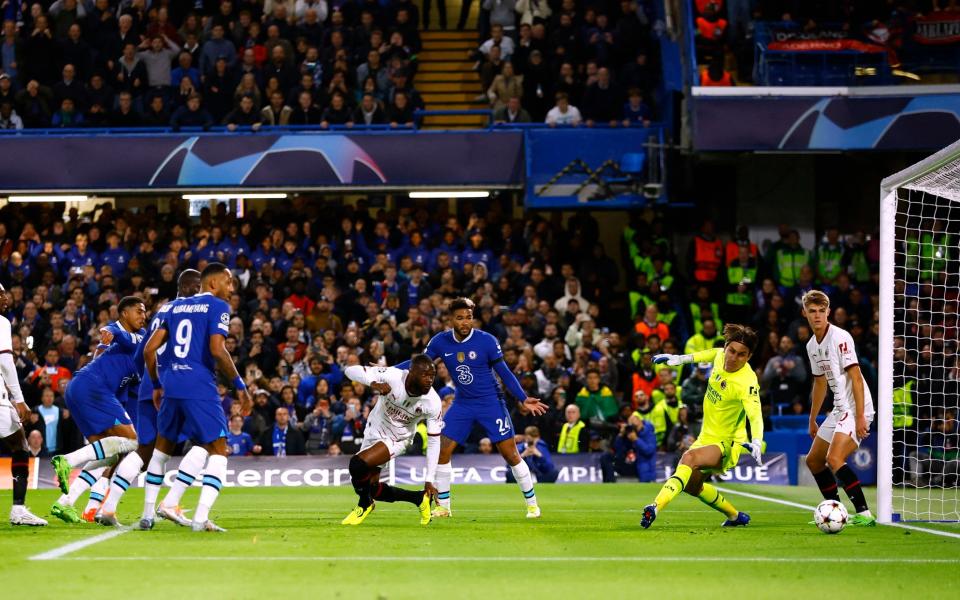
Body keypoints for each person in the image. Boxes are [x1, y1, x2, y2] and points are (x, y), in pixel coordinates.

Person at [396, 298, 548, 519]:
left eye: (468, 317)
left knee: (511, 454)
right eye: (460, 318)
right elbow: (417, 364)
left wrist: (523, 398)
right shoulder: (440, 341)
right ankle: (444, 507)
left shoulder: (487, 341)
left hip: (491, 403)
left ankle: (533, 506)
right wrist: (386, 371)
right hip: (463, 404)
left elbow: (505, 373)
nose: (465, 322)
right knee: (442, 451)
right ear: (451, 320)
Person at [142, 262, 252, 532]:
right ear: (213, 283)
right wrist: (240, 385)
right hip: (199, 387)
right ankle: (200, 519)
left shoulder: (174, 307)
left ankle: (160, 507)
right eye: (228, 282)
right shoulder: (217, 307)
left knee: (165, 450)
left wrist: (156, 384)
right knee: (219, 450)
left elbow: (149, 349)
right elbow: (217, 349)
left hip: (171, 387)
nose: (231, 289)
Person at [97, 269, 201, 529]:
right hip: (173, 387)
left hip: (147, 387)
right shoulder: (193, 312)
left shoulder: (159, 315)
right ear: (192, 287)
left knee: (145, 450)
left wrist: (149, 381)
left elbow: (141, 354)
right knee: (204, 442)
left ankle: (112, 508)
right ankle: (166, 505)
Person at [642, 324, 764, 529]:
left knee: (688, 459)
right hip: (706, 436)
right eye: (731, 351)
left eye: (741, 355)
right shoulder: (720, 356)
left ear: (749, 357)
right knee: (693, 486)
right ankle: (735, 517)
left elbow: (755, 415)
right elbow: (707, 354)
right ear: (725, 347)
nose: (733, 358)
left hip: (728, 443)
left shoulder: (747, 382)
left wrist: (757, 441)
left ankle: (654, 507)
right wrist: (679, 359)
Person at [49, 296, 147, 524]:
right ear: (124, 313)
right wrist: (110, 332)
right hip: (93, 387)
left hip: (84, 389)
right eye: (139, 311)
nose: (144, 316)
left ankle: (65, 503)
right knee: (133, 441)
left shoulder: (137, 357)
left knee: (107, 454)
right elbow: (116, 333)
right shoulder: (130, 336)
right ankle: (67, 460)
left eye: (145, 312)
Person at [802, 290, 877, 526]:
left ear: (828, 312)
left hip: (856, 406)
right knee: (814, 461)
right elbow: (820, 382)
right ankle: (834, 511)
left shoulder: (840, 337)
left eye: (821, 311)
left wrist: (861, 417)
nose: (817, 316)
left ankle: (864, 514)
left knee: (834, 458)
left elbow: (856, 377)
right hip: (838, 407)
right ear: (804, 313)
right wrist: (812, 419)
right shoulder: (812, 345)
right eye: (812, 311)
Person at [341, 356, 441, 525]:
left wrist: (430, 479)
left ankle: (365, 505)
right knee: (370, 487)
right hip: (374, 430)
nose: (430, 380)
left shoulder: (432, 402)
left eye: (433, 376)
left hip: (398, 439)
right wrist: (373, 383)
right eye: (425, 375)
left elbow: (434, 441)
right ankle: (419, 498)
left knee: (357, 465)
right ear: (412, 373)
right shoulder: (392, 376)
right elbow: (350, 371)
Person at [0, 283, 48, 525]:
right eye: (0, 294)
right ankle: (18, 511)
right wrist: (20, 400)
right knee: (20, 445)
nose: (5, 298)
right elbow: (6, 363)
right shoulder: (1, 322)